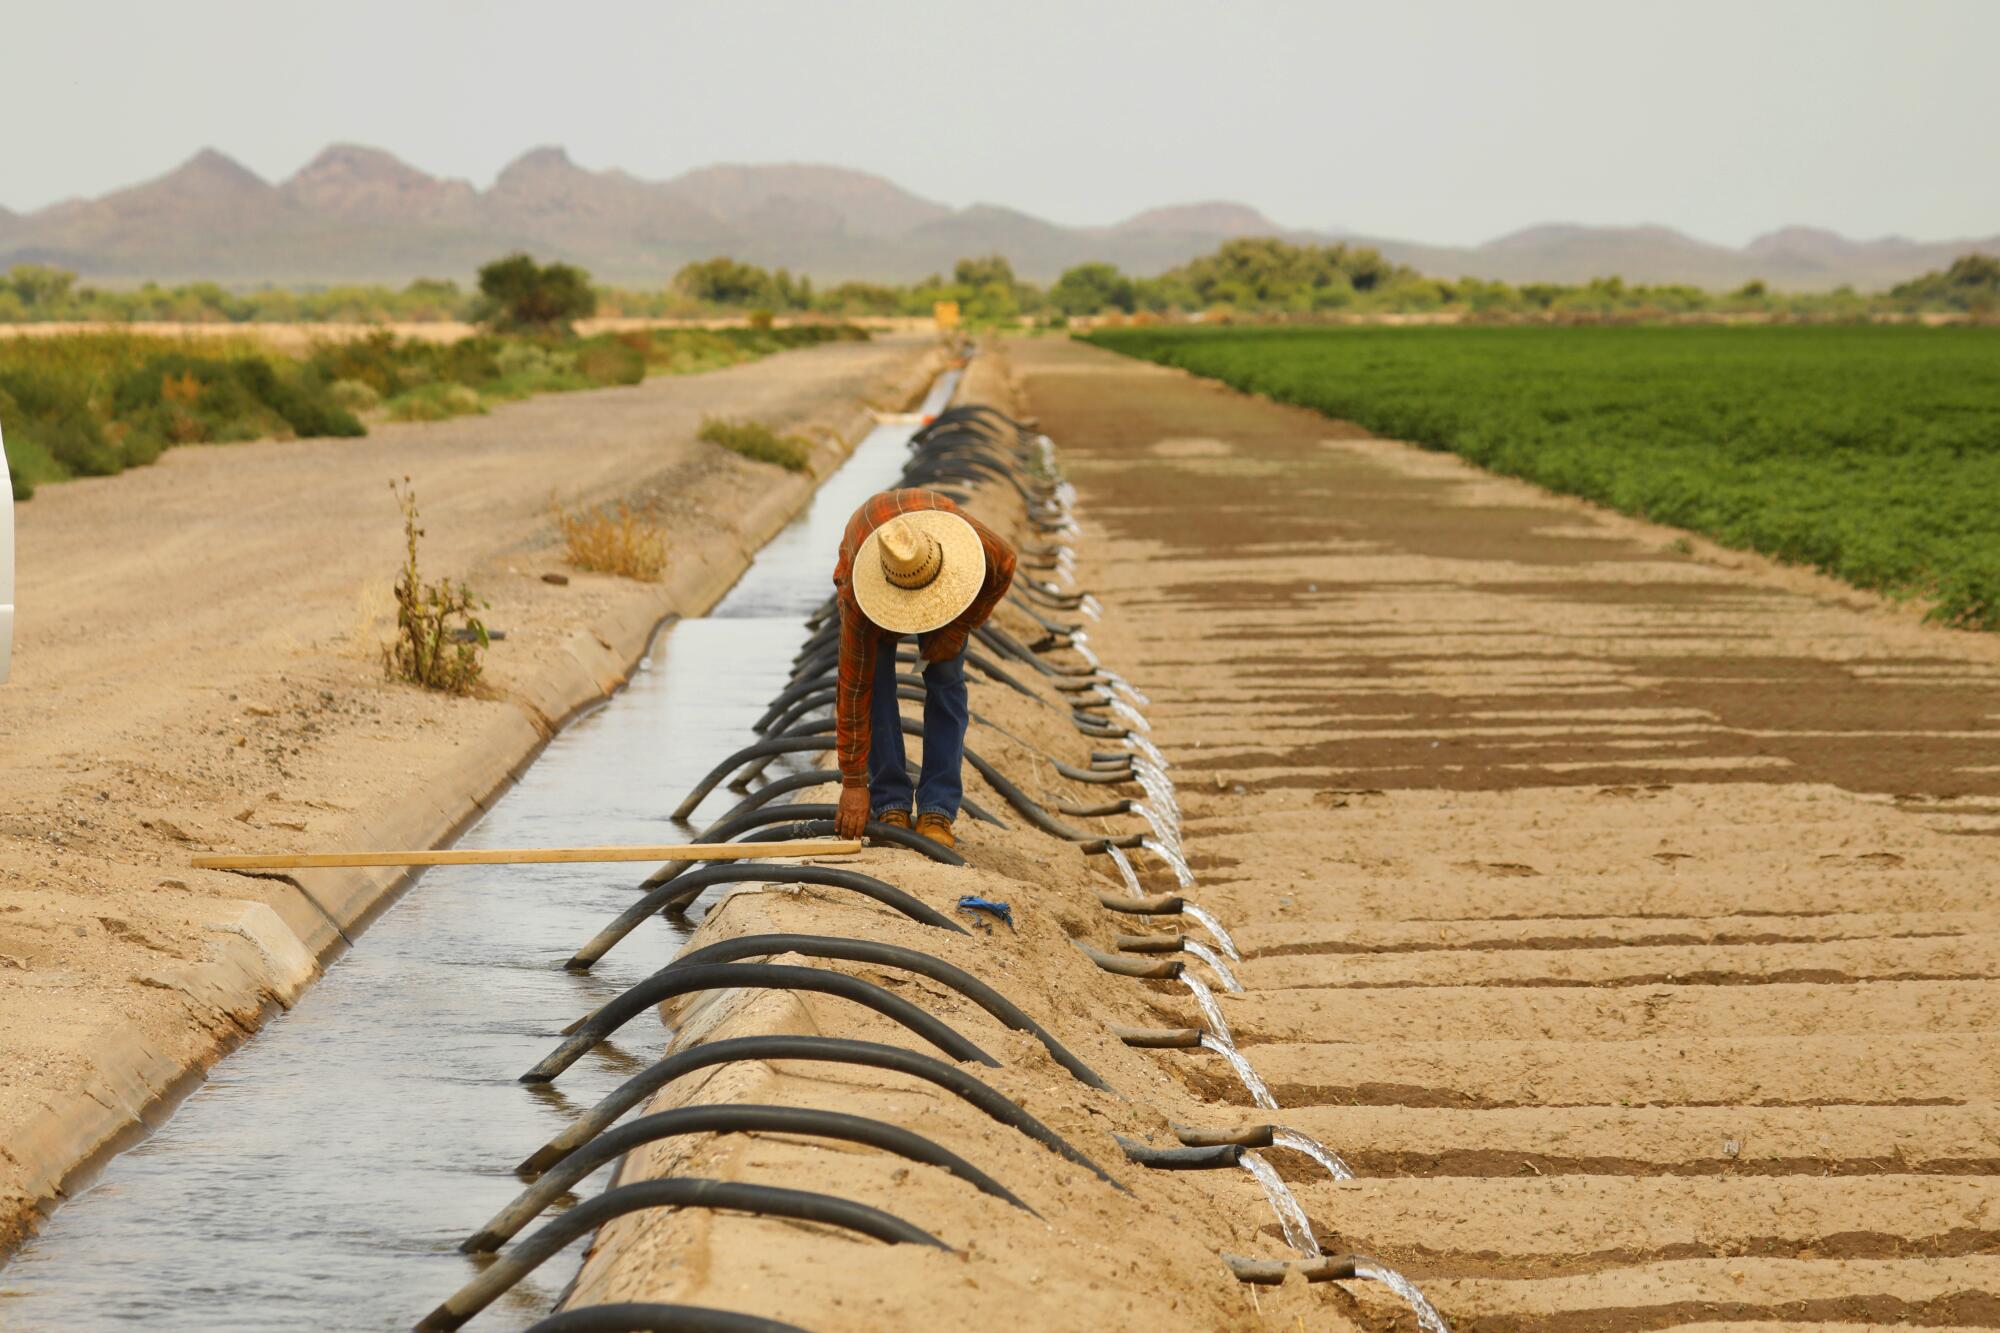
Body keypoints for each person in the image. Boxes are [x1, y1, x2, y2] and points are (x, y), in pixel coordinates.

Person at [831, 489, 1016, 850]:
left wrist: (960, 626)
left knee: (946, 682)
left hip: (941, 572)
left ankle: (937, 810)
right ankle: (891, 805)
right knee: (876, 690)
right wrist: (853, 782)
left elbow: (1006, 563)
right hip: (869, 571)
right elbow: (853, 693)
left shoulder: (971, 544)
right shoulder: (860, 599)